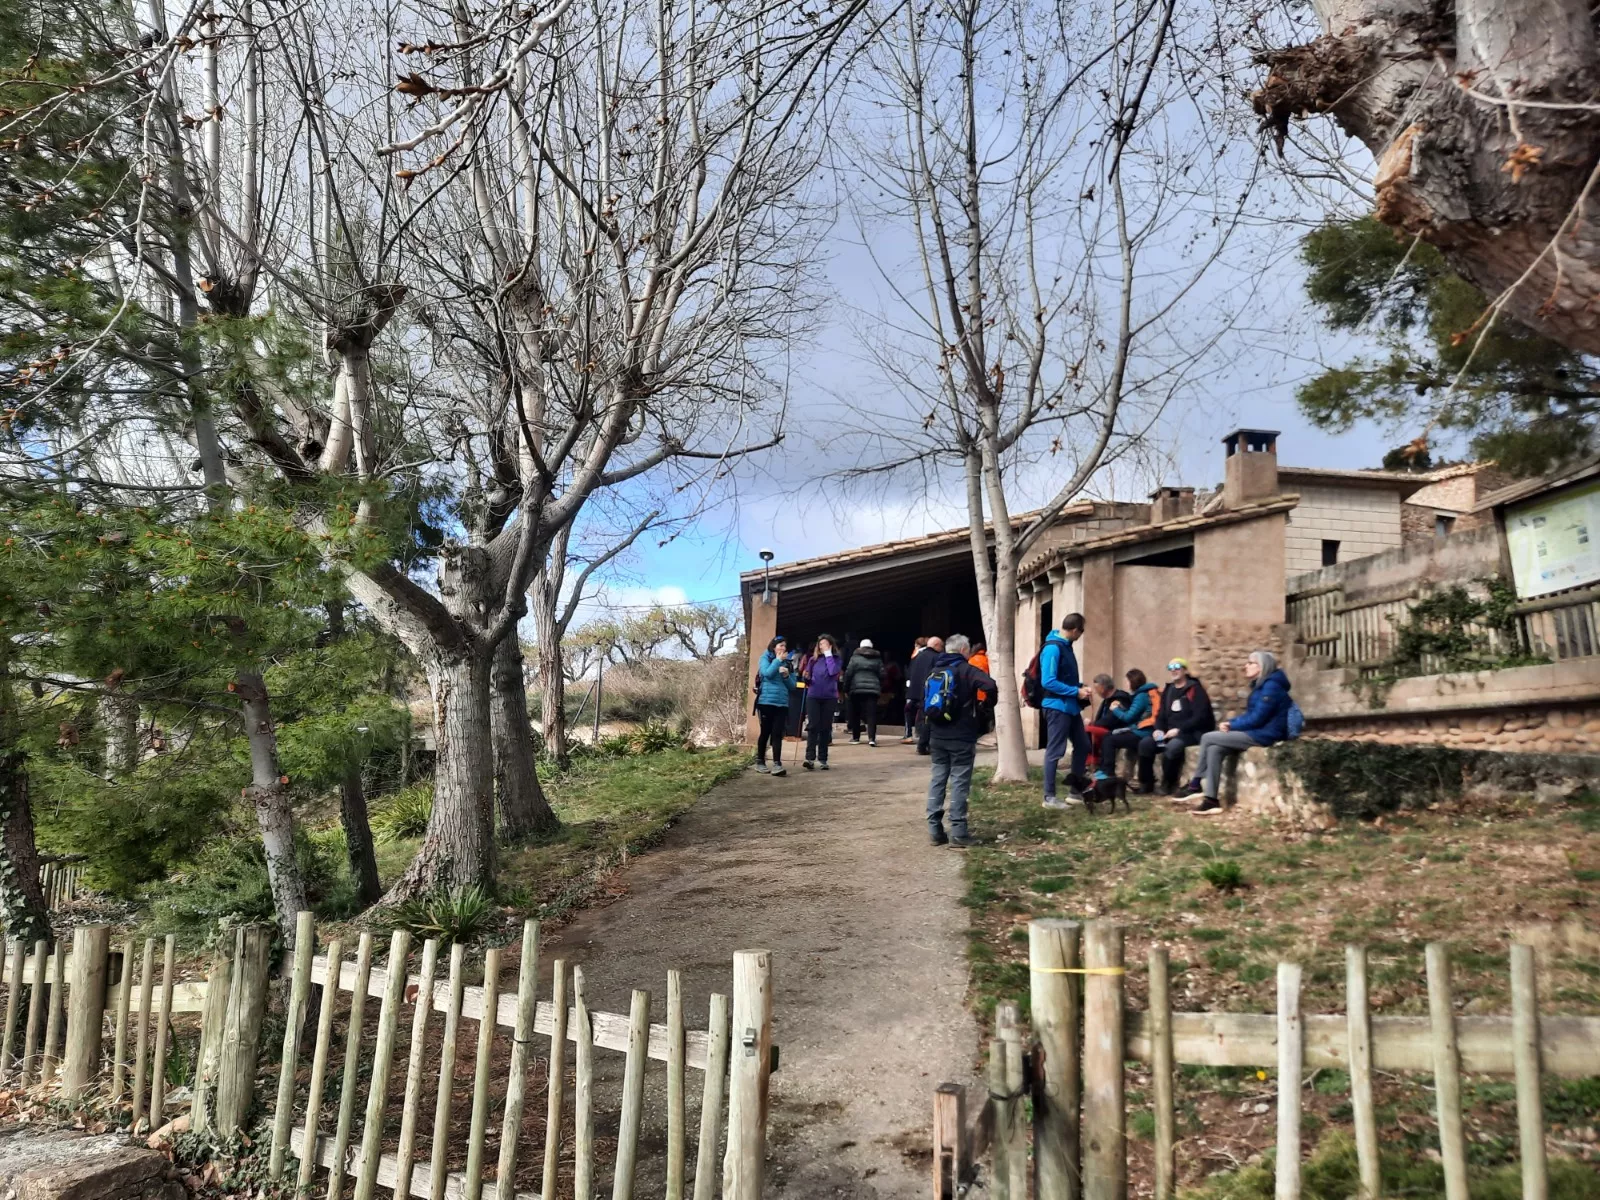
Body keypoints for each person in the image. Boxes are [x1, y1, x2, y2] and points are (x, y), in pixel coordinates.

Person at [1188, 650, 1293, 814]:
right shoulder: (1261, 686)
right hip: (1256, 732)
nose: (1246, 666)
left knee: (1208, 737)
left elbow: (1258, 718)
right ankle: (1211, 800)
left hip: (1265, 735)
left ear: (1261, 666)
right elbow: (1251, 716)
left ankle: (1194, 784)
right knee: (1215, 749)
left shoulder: (1271, 687)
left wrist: (1231, 725)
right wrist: (1232, 723)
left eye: (1251, 663)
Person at [924, 633, 998, 848]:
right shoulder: (967, 670)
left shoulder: (935, 671)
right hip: (962, 737)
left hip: (937, 736)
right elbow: (990, 686)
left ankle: (935, 830)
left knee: (938, 779)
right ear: (964, 650)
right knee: (959, 782)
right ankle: (958, 832)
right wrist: (985, 707)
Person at [1039, 613, 1093, 810]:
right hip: (1056, 707)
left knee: (1083, 744)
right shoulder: (1053, 648)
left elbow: (1065, 678)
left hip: (1070, 707)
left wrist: (1080, 688)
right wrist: (1075, 691)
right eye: (1081, 632)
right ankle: (1049, 797)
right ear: (1074, 630)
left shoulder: (1065, 647)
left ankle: (1075, 792)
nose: (1080, 636)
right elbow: (1048, 681)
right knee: (1055, 751)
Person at [1138, 658, 1214, 796]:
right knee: (1146, 743)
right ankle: (1146, 782)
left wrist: (1179, 730)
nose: (1173, 670)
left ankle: (1168, 783)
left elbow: (1201, 717)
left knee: (1173, 746)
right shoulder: (1169, 690)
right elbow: (1161, 714)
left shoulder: (1195, 690)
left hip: (1190, 733)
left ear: (1185, 670)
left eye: (1177, 667)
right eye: (1171, 667)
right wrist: (1159, 729)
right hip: (1168, 732)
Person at [1105, 668, 1161, 785]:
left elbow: (1128, 718)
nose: (1125, 683)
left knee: (1109, 739)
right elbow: (1136, 714)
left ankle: (1108, 773)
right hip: (1143, 730)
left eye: (1127, 681)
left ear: (1132, 681)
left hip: (1142, 733)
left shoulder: (1141, 696)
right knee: (1111, 736)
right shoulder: (1145, 693)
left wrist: (1115, 709)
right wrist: (1121, 707)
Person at [751, 637, 796, 776]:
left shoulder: (788, 663)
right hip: (766, 702)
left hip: (781, 703)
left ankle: (777, 764)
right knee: (765, 732)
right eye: (780, 646)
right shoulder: (765, 658)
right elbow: (767, 674)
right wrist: (777, 661)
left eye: (785, 646)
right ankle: (760, 761)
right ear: (774, 647)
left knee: (777, 733)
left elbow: (793, 686)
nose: (783, 649)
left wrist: (787, 676)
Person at [802, 635, 844, 770]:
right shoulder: (813, 660)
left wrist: (828, 654)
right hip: (813, 695)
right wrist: (806, 678)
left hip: (829, 697)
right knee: (813, 725)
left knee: (825, 727)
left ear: (831, 645)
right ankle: (809, 758)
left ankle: (823, 759)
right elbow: (807, 677)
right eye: (820, 644)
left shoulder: (836, 660)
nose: (822, 646)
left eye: (825, 644)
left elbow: (833, 672)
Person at [1084, 673, 1131, 769]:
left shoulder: (1121, 698)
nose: (1096, 692)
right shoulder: (1107, 700)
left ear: (1102, 687)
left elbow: (1111, 719)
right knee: (1086, 729)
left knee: (1088, 730)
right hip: (1105, 729)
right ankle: (1089, 761)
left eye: (1096, 688)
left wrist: (1092, 724)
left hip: (1116, 730)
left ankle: (1094, 760)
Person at [906, 635, 944, 755]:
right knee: (928, 719)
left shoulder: (917, 656)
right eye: (941, 646)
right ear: (936, 646)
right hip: (927, 692)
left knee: (921, 718)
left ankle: (922, 742)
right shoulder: (936, 657)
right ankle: (923, 745)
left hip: (914, 692)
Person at [845, 639, 885, 745]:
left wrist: (846, 688)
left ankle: (856, 737)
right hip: (872, 690)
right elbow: (882, 674)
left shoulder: (854, 658)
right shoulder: (877, 659)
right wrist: (879, 685)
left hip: (856, 688)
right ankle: (871, 738)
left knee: (856, 713)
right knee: (871, 714)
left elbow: (848, 673)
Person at [902, 637, 928, 740]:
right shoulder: (929, 655)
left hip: (913, 689)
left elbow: (910, 672)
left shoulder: (916, 655)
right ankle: (921, 734)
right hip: (924, 688)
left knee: (908, 710)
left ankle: (908, 734)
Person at [968, 641, 993, 737]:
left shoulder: (972, 660)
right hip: (987, 691)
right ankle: (985, 732)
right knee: (987, 715)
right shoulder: (988, 659)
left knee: (977, 715)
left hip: (976, 692)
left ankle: (977, 733)